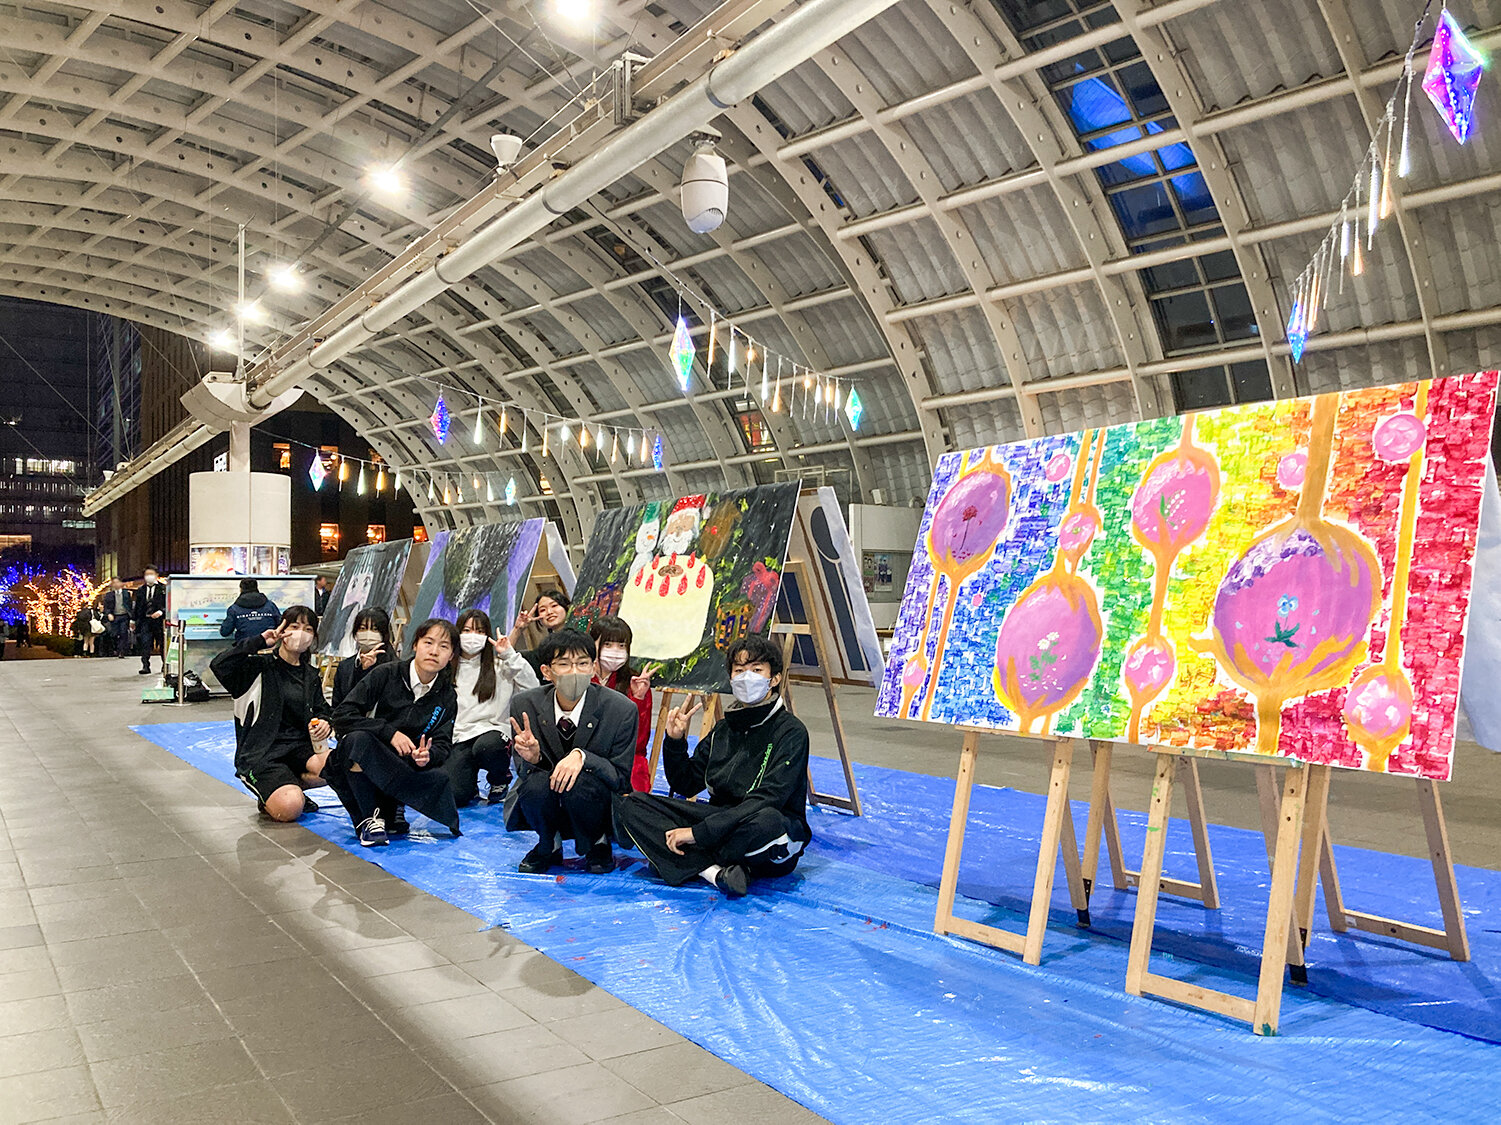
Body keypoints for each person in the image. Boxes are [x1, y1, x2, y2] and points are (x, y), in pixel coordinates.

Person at [613, 636, 811, 898]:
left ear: (773, 679)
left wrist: (698, 834)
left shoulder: (791, 732)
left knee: (767, 823)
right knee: (630, 805)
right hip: (718, 820)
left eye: (756, 670)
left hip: (763, 825)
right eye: (739, 671)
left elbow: (769, 798)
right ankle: (715, 873)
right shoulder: (723, 729)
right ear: (730, 679)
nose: (746, 677)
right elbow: (686, 784)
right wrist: (675, 742)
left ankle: (677, 858)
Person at [505, 629, 639, 875]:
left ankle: (597, 843)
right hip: (548, 794)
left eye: (582, 663)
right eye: (564, 664)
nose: (575, 672)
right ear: (547, 672)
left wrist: (583, 757)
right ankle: (549, 843)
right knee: (533, 786)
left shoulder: (621, 710)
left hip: (593, 798)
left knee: (580, 785)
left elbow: (621, 778)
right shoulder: (525, 705)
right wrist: (533, 758)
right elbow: (523, 772)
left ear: (594, 667)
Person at [327, 617, 462, 846]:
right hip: (372, 753)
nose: (434, 651)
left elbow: (442, 743)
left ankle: (393, 805)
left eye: (444, 646)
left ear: (451, 656)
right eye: (428, 642)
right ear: (415, 645)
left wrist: (427, 756)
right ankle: (370, 819)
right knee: (357, 741)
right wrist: (388, 732)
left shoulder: (447, 695)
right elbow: (342, 716)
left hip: (406, 763)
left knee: (442, 778)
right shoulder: (386, 674)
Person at [209, 605, 332, 823]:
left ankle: (288, 786)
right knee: (290, 809)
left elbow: (322, 708)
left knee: (337, 765)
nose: (301, 633)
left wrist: (325, 721)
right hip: (263, 753)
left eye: (308, 629)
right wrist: (258, 642)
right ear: (282, 630)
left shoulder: (310, 674)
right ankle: (275, 793)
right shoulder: (256, 668)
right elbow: (219, 664)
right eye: (294, 626)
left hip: (300, 750)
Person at [443, 608, 538, 807]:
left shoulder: (500, 666)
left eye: (479, 631)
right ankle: (469, 780)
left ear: (487, 636)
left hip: (493, 733)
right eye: (467, 630)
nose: (472, 637)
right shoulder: (446, 668)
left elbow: (532, 686)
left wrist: (510, 655)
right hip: (459, 736)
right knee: (456, 795)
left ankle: (500, 780)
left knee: (488, 747)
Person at [588, 615, 654, 792]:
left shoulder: (636, 683)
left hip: (627, 758)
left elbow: (639, 743)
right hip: (588, 756)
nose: (615, 651)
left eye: (622, 645)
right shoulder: (580, 677)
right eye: (608, 644)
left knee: (634, 791)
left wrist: (638, 700)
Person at [332, 607, 396, 706]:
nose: (368, 634)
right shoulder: (344, 666)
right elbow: (337, 705)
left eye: (375, 629)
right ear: (355, 632)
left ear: (384, 634)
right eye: (362, 628)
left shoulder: (395, 667)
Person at [511, 587, 572, 678]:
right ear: (539, 619)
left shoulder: (586, 637)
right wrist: (518, 629)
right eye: (543, 610)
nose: (549, 612)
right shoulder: (543, 652)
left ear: (567, 607)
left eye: (554, 605)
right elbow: (505, 656)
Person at [133, 566, 167, 675]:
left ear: (156, 575)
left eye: (151, 574)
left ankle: (165, 665)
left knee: (162, 643)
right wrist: (133, 620)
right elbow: (137, 607)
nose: (149, 577)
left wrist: (161, 612)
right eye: (147, 574)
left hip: (159, 621)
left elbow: (168, 604)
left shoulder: (163, 589)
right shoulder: (140, 590)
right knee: (145, 643)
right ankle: (145, 666)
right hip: (145, 621)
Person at [104, 578, 132, 658]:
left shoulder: (126, 593)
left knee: (123, 633)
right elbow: (106, 607)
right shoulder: (109, 595)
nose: (116, 584)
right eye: (114, 583)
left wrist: (131, 617)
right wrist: (109, 614)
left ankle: (121, 651)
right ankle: (116, 648)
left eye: (117, 582)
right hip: (114, 616)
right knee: (115, 634)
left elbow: (129, 605)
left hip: (124, 615)